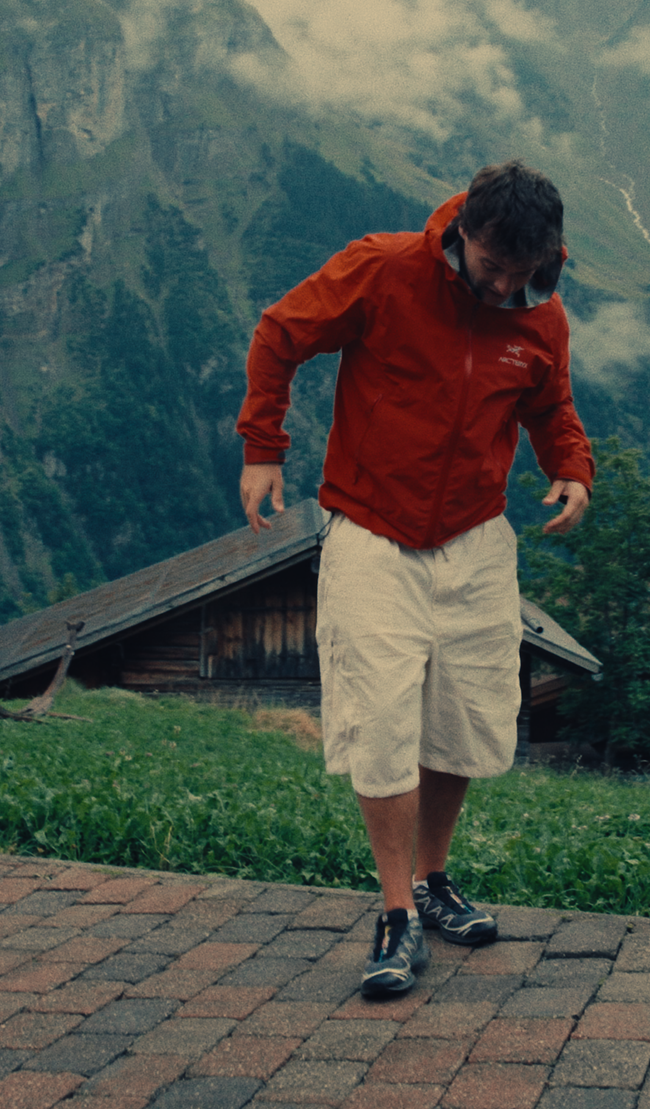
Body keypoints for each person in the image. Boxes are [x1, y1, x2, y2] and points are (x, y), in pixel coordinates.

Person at [237, 159, 594, 996]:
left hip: (475, 539)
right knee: (383, 716)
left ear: (549, 255)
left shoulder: (542, 314)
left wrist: (571, 467)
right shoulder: (383, 268)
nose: (504, 287)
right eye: (491, 267)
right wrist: (263, 447)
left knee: (463, 717)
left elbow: (550, 404)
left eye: (522, 273)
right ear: (462, 230)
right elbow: (280, 333)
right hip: (372, 529)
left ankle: (434, 882)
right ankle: (396, 914)